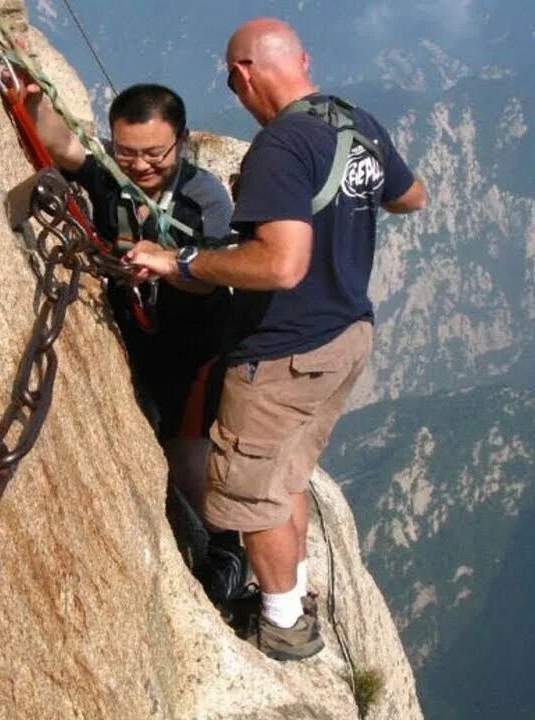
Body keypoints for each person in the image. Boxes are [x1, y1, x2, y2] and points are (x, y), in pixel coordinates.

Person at [126, 18, 428, 661]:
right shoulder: (356, 125)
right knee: (287, 478)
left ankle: (285, 624)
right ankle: (292, 595)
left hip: (284, 349)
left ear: (241, 75)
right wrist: (348, 201)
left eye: (231, 84)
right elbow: (412, 197)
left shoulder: (281, 148)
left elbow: (281, 265)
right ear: (304, 61)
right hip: (344, 335)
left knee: (251, 496)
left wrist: (182, 263)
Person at [22, 81, 249, 601]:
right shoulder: (113, 178)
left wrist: (168, 266)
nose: (141, 164)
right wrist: (33, 99)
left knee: (186, 448)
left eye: (154, 153)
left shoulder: (203, 197)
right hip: (139, 335)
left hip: (197, 343)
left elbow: (215, 275)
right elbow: (63, 146)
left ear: (182, 141)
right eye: (127, 151)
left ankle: (225, 545)